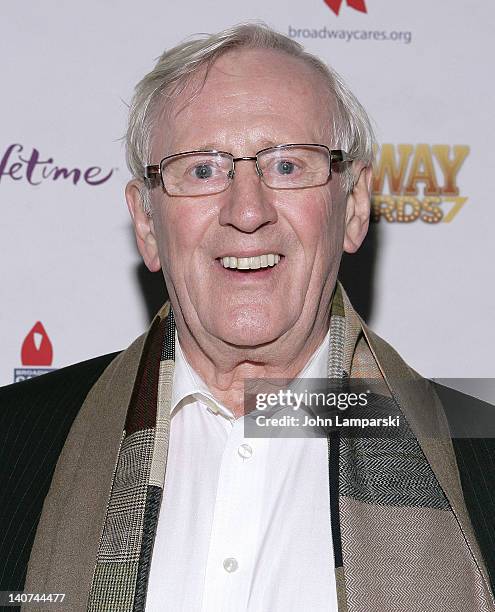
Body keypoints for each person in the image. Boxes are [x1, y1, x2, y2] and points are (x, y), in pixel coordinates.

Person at [1, 23, 494, 612]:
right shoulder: (14, 445)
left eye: (287, 165)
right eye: (203, 170)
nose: (248, 210)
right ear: (147, 224)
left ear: (355, 206)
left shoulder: (481, 459)